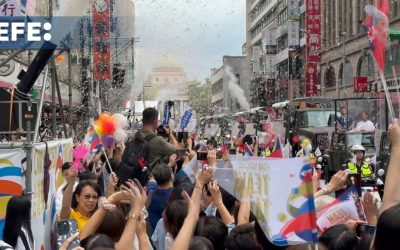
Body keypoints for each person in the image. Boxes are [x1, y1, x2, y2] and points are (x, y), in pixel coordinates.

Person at [147, 163, 174, 233]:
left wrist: (169, 166)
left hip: (152, 229)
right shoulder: (173, 195)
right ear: (171, 176)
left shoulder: (150, 189)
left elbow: (152, 178)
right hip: (165, 232)